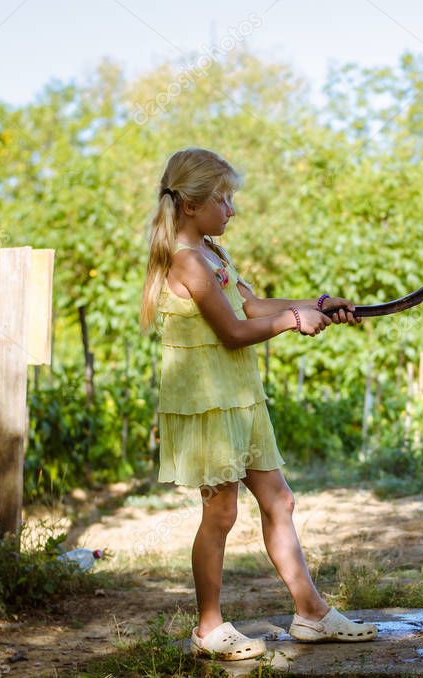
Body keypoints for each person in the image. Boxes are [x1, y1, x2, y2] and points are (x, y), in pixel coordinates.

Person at [139, 147, 378, 660]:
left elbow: (252, 306)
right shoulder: (187, 263)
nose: (232, 210)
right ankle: (208, 627)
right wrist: (293, 322)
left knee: (280, 501)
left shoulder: (213, 254)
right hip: (209, 403)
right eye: (223, 200)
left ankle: (310, 613)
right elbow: (232, 332)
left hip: (240, 399)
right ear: (190, 205)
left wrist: (312, 305)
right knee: (221, 511)